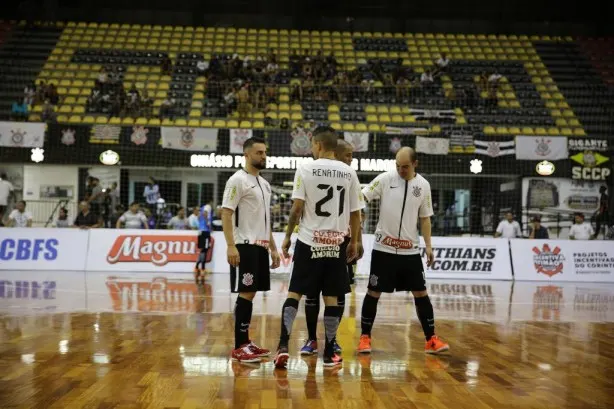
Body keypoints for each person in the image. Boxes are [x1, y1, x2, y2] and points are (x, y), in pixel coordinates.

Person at [273, 127, 364, 369]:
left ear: (318, 145)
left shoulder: (305, 168)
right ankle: (329, 352)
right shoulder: (348, 172)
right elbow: (356, 214)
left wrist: (287, 236)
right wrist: (354, 241)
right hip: (336, 244)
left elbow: (296, 208)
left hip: (308, 242)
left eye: (312, 145)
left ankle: (283, 346)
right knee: (332, 298)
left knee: (295, 294)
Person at [356, 147, 449, 355]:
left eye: (405, 166)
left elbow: (425, 218)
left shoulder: (423, 185)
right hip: (383, 249)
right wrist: (358, 217)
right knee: (373, 292)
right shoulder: (385, 179)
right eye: (397, 165)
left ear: (415, 164)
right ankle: (365, 338)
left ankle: (431, 339)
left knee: (421, 293)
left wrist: (429, 245)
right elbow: (362, 198)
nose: (400, 170)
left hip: (410, 251)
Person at [221, 137, 281, 363]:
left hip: (261, 247)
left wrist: (273, 249)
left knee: (252, 293)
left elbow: (265, 221)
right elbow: (226, 213)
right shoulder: (237, 180)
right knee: (245, 293)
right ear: (246, 155)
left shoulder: (264, 184)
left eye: (265, 152)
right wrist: (230, 245)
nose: (263, 156)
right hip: (244, 246)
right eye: (258, 153)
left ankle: (246, 342)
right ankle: (239, 346)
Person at [301, 138, 360, 356]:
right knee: (313, 292)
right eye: (348, 156)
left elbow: (357, 213)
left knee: (339, 292)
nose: (350, 160)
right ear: (335, 153)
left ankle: (331, 340)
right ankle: (311, 338)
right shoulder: (320, 172)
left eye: (352, 156)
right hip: (318, 240)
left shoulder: (349, 177)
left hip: (343, 241)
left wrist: (357, 240)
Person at [193, 201, 214, 284]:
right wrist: (208, 225)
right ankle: (202, 268)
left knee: (203, 250)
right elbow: (205, 214)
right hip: (205, 231)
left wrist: (201, 225)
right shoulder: (208, 207)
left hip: (201, 230)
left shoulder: (201, 208)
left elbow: (198, 217)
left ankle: (197, 267)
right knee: (204, 250)